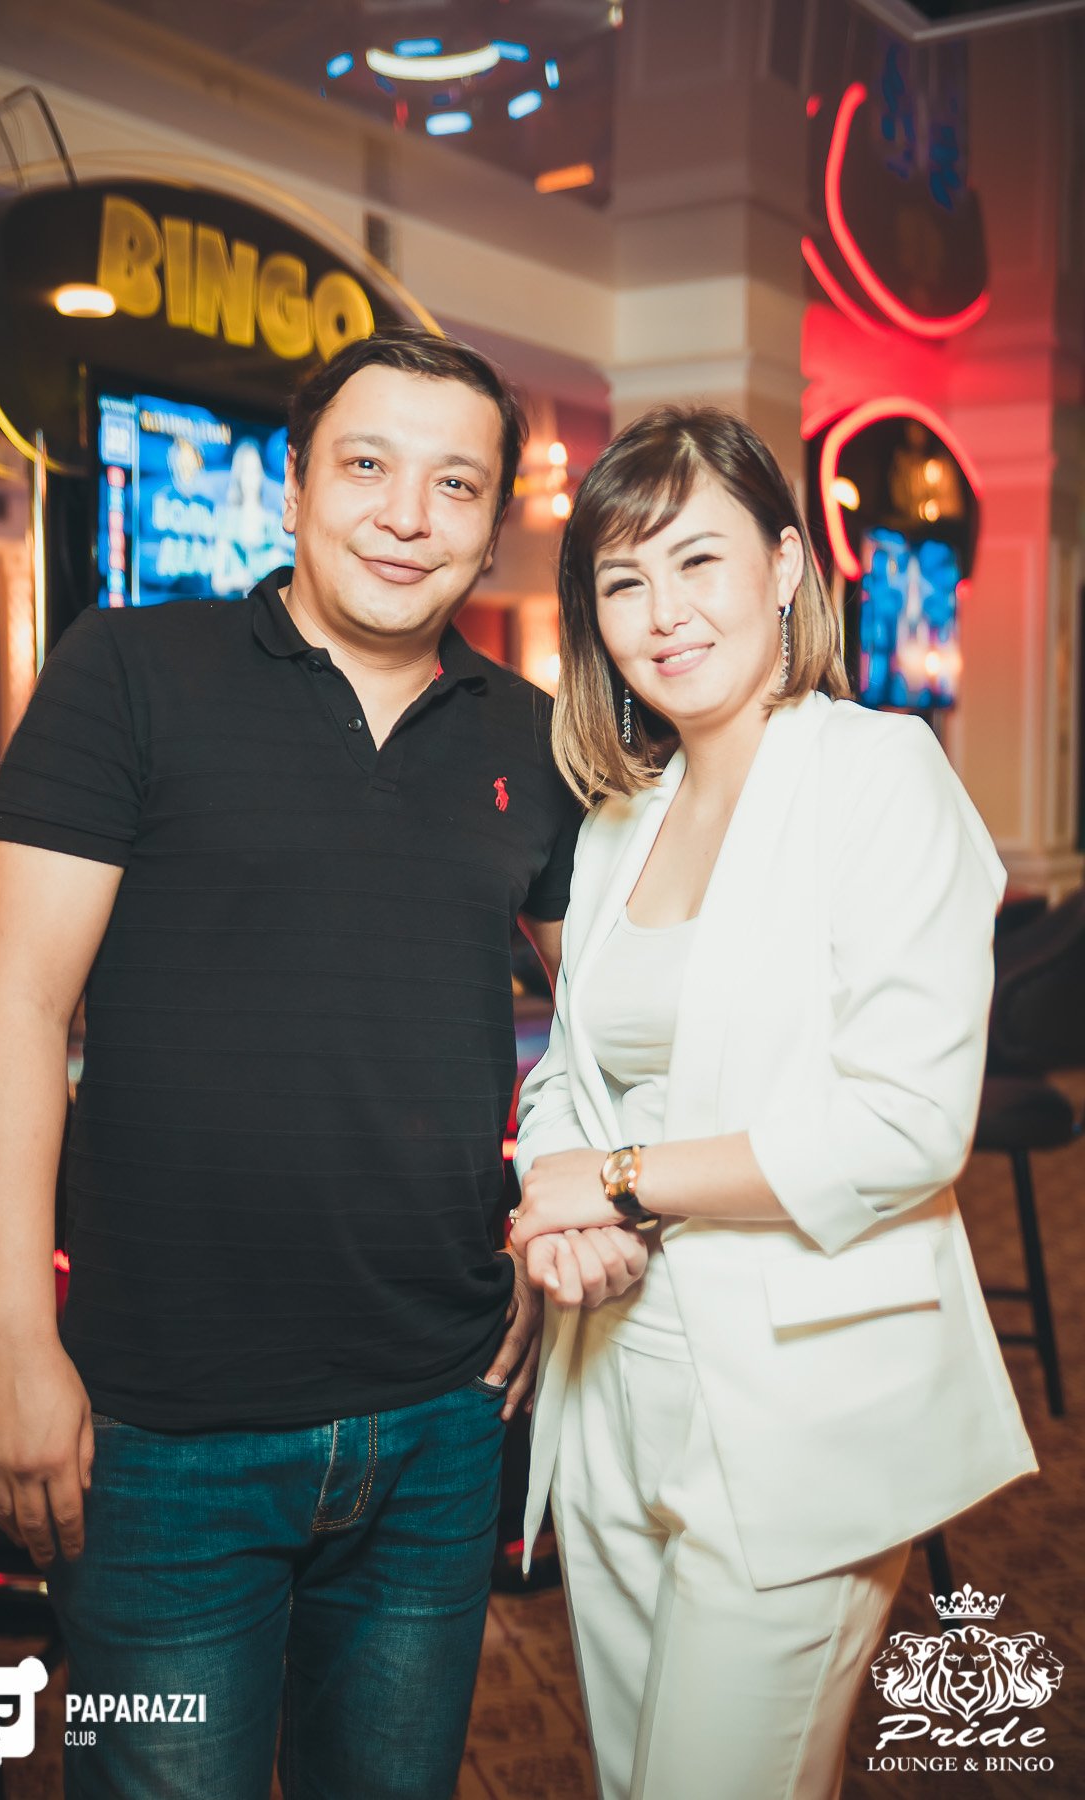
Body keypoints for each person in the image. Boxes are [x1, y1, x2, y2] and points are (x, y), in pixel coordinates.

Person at [0, 328, 645, 1800]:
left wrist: (561, 1211)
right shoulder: (131, 671)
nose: (408, 516)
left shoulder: (533, 737)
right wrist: (12, 1333)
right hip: (163, 1432)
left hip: (443, 1412)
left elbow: (612, 1032)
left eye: (455, 484)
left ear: (493, 528)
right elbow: (14, 1006)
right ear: (294, 487)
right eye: (368, 466)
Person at [508, 405, 1037, 1800]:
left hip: (804, 1397)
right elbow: (571, 1070)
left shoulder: (878, 775)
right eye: (623, 581)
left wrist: (618, 1180)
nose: (663, 614)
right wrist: (567, 1210)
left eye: (699, 561)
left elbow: (906, 1123)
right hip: (611, 1374)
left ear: (789, 565)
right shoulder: (618, 818)